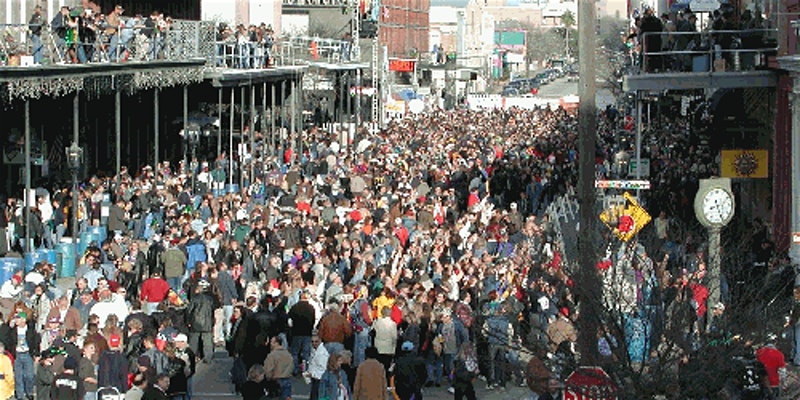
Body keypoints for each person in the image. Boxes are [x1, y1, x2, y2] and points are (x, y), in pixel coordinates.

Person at [187, 279, 218, 363]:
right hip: (207, 323)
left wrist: (188, 321)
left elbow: (189, 311)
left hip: (195, 323)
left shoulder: (195, 298)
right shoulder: (210, 299)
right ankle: (208, 358)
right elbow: (213, 310)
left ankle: (192, 357)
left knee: (194, 342)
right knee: (207, 341)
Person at [10, 311, 40, 400]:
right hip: (17, 354)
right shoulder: (13, 330)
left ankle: (29, 392)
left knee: (29, 375)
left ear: (23, 320)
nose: (16, 320)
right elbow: (9, 341)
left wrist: (36, 354)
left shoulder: (30, 330)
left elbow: (36, 342)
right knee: (18, 376)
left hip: (27, 354)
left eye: (18, 318)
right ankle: (20, 394)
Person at [288, 290, 315, 375]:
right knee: (306, 353)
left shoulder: (295, 307)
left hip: (296, 332)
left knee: (295, 353)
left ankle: (295, 369)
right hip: (307, 333)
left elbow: (289, 319)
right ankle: (306, 370)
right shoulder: (311, 308)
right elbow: (313, 321)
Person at [263, 336, 293, 400]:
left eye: (272, 342)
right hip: (287, 380)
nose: (270, 343)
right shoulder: (288, 354)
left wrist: (268, 378)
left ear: (276, 343)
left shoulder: (272, 355)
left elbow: (268, 370)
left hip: (275, 381)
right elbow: (292, 367)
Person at [372, 306, 397, 376]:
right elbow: (394, 337)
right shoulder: (393, 324)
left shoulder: (377, 322)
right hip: (388, 348)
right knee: (386, 368)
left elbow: (372, 332)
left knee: (378, 368)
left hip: (378, 347)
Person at [306, 335, 329, 400]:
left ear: (320, 341)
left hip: (319, 379)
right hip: (315, 378)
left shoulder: (322, 353)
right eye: (312, 342)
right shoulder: (314, 350)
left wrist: (312, 374)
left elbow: (323, 368)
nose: (314, 343)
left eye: (316, 341)